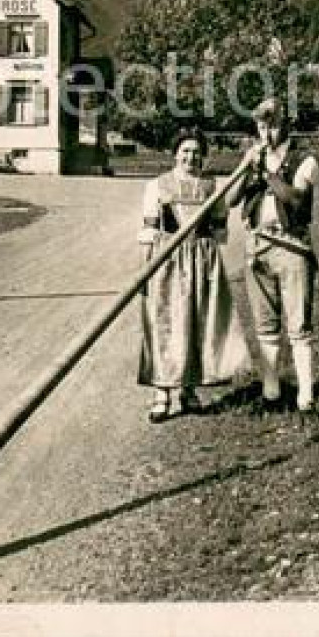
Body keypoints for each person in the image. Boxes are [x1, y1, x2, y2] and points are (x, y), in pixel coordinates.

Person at [136, 129, 246, 422]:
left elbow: (221, 233)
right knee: (166, 323)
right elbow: (148, 233)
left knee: (196, 323)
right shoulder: (157, 186)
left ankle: (188, 391)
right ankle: (162, 394)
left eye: (196, 152)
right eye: (185, 150)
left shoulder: (213, 188)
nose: (190, 157)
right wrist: (146, 271)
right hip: (168, 260)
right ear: (175, 154)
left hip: (202, 260)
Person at [231, 97, 319, 413]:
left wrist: (267, 174)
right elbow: (230, 199)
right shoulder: (252, 157)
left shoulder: (303, 159)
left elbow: (295, 199)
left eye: (273, 124)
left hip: (292, 246)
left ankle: (306, 396)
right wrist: (246, 168)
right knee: (265, 324)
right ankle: (271, 393)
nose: (266, 131)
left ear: (287, 125)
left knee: (298, 324)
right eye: (261, 124)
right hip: (258, 246)